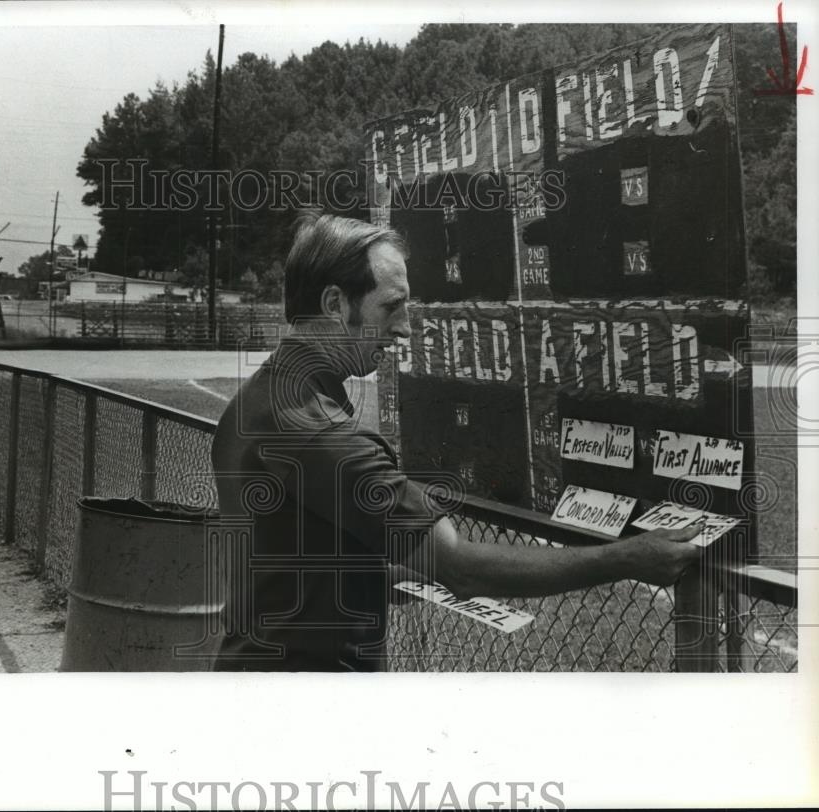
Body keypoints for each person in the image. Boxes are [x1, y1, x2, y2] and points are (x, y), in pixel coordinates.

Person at [210, 212, 700, 672]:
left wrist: (373, 578)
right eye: (391, 306)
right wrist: (627, 558)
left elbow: (292, 558)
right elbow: (462, 567)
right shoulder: (324, 435)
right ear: (335, 304)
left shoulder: (259, 397)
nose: (403, 327)